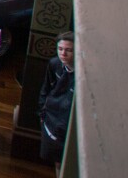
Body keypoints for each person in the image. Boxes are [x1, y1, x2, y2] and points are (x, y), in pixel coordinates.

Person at [38, 32, 75, 164]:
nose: (63, 54)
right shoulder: (55, 64)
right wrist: (42, 111)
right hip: (50, 118)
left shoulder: (80, 76)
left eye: (68, 50)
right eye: (60, 49)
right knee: (53, 157)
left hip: (67, 123)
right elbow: (46, 88)